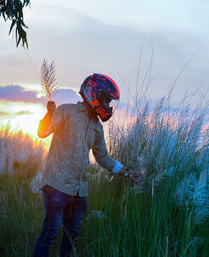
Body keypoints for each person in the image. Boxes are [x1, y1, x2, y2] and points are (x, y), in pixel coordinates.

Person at [33, 73, 140, 257]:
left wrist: (127, 172)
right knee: (50, 232)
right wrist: (48, 115)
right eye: (106, 101)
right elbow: (43, 132)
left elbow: (103, 158)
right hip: (57, 187)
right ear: (94, 94)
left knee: (70, 238)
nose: (108, 106)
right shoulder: (66, 111)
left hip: (79, 193)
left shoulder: (97, 127)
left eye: (109, 102)